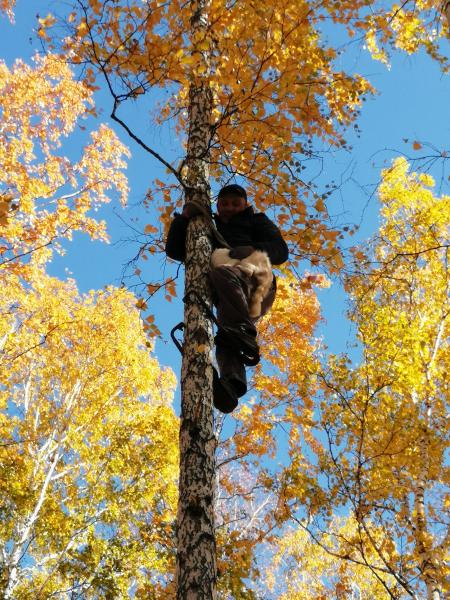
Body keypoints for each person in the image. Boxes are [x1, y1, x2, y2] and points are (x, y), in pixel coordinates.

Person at [165, 184, 289, 413]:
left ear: (245, 204)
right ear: (218, 206)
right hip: (232, 297)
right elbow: (174, 250)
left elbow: (281, 251)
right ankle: (232, 381)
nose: (230, 208)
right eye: (225, 204)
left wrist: (250, 249)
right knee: (227, 332)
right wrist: (184, 219)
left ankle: (242, 331)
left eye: (236, 203)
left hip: (258, 283)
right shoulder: (207, 227)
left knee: (222, 273)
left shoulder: (256, 221)